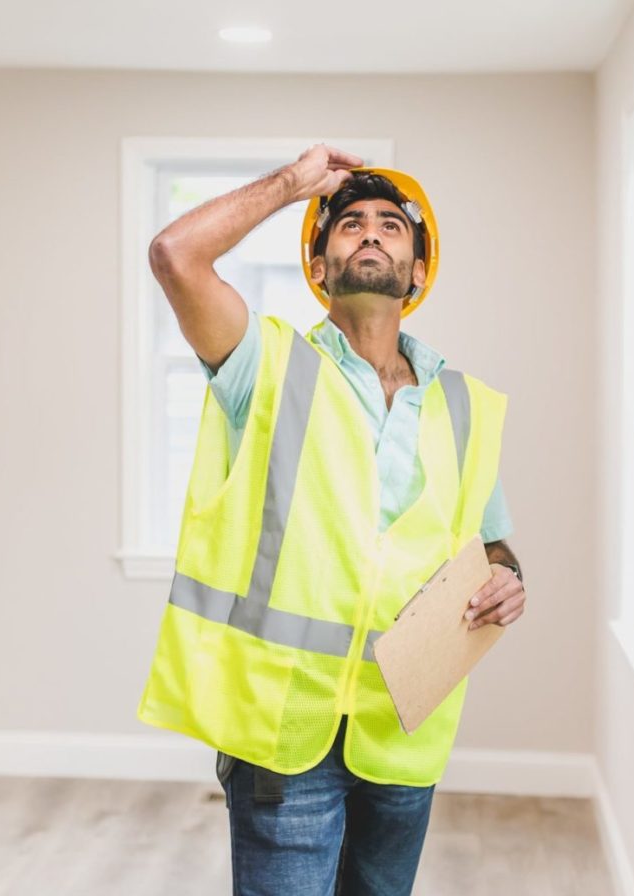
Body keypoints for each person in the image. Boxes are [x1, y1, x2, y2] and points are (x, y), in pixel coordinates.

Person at [137, 144, 527, 896]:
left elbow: (496, 545)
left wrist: (510, 581)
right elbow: (176, 255)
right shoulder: (267, 366)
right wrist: (293, 185)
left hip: (405, 727)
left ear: (418, 271)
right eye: (348, 224)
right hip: (286, 735)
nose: (371, 233)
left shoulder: (465, 406)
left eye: (391, 225)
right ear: (317, 268)